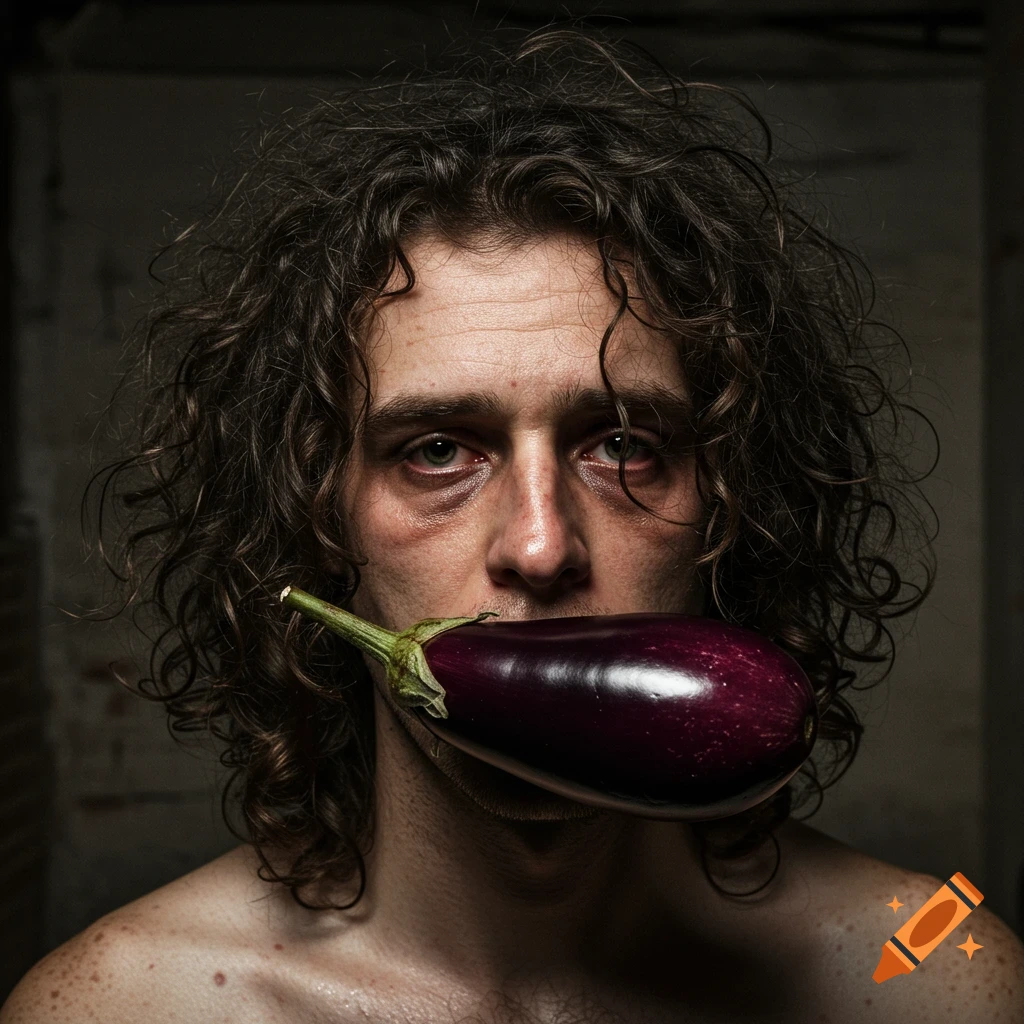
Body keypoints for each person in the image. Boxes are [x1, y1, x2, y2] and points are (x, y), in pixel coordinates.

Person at [3, 29, 1022, 1024]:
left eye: (621, 445)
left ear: (727, 506)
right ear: (319, 517)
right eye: (437, 450)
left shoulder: (925, 973)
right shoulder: (123, 1005)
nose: (539, 549)